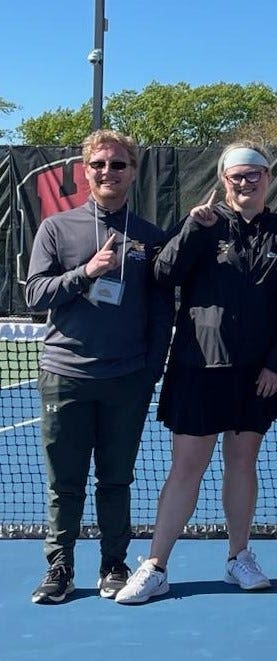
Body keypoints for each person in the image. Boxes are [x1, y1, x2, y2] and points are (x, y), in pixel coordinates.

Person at [115, 142, 277, 604]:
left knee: (242, 462)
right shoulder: (201, 224)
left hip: (257, 375)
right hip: (198, 367)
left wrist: (276, 365)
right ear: (224, 181)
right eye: (236, 176)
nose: (246, 183)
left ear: (268, 178)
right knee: (187, 468)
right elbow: (164, 275)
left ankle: (238, 557)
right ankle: (156, 565)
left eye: (254, 175)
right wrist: (191, 231)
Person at [25, 129, 172, 604]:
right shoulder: (55, 229)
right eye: (99, 164)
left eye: (118, 164)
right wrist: (86, 273)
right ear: (85, 171)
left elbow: (161, 312)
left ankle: (114, 564)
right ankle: (60, 568)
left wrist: (149, 370)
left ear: (133, 171)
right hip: (65, 376)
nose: (108, 172)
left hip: (126, 381)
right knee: (64, 483)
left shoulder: (150, 237)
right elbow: (34, 295)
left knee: (116, 480)